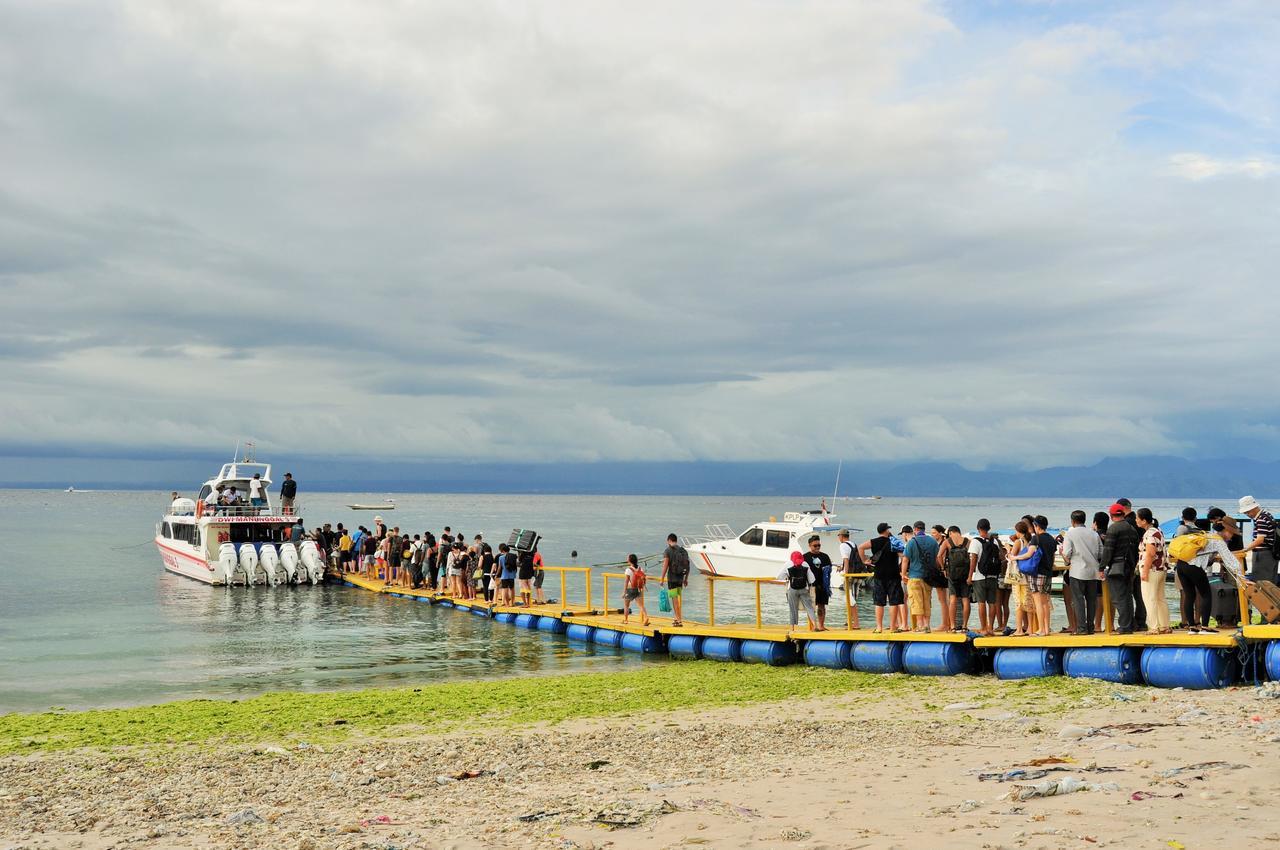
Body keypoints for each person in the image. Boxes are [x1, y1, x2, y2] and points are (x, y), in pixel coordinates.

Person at [1100, 502, 1140, 633]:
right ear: (1123, 513)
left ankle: (1124, 626)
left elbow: (1108, 550)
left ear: (1111, 516)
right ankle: (1130, 624)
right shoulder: (1132, 529)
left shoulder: (1113, 528)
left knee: (1118, 598)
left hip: (1117, 567)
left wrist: (1101, 567)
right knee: (1127, 596)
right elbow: (1135, 550)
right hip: (1130, 567)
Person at [1060, 510, 1102, 635]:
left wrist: (1065, 558)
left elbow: (1067, 553)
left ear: (1072, 521)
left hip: (1077, 571)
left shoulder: (1070, 534)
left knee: (1078, 600)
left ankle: (1081, 628)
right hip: (1093, 571)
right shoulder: (1094, 534)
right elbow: (1101, 553)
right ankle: (1090, 627)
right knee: (1091, 600)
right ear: (1084, 520)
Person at [859, 523, 904, 633]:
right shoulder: (893, 541)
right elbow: (903, 555)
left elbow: (860, 547)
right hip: (893, 575)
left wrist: (864, 561)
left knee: (879, 602)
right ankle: (893, 627)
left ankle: (879, 627)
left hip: (879, 575)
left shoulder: (873, 542)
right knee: (894, 602)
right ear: (887, 530)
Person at [1135, 508, 1171, 634]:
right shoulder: (1158, 531)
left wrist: (1144, 571)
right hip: (1161, 568)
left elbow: (1150, 553)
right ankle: (1164, 625)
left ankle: (1153, 627)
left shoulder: (1149, 534)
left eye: (1137, 518)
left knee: (1149, 598)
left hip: (1152, 569)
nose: (1136, 520)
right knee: (1160, 598)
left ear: (1144, 521)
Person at [1115, 498, 1147, 631]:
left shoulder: (1126, 524)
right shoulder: (1139, 521)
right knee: (1140, 594)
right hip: (1141, 561)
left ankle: (1130, 623)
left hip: (1129, 562)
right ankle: (1141, 621)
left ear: (1121, 508)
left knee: (1127, 594)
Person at [901, 521, 938, 633]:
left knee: (916, 601)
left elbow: (905, 560)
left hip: (914, 576)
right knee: (927, 601)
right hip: (928, 577)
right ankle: (927, 625)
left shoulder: (912, 542)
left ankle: (920, 625)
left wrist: (903, 574)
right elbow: (937, 558)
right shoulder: (933, 541)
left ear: (915, 529)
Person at [968, 519, 1001, 637]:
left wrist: (969, 576)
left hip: (979, 577)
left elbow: (973, 560)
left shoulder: (975, 542)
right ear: (989, 528)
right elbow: (999, 557)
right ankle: (991, 628)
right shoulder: (995, 542)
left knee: (981, 603)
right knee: (992, 603)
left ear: (978, 528)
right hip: (993, 576)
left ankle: (983, 628)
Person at [1238, 496, 1278, 585]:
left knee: (1261, 583)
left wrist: (1245, 549)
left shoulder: (1261, 519)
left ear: (1254, 508)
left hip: (1263, 554)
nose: (1247, 514)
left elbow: (1260, 540)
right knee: (1271, 582)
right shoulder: (1267, 515)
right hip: (1271, 553)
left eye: (1247, 512)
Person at [939, 526, 971, 632]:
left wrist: (943, 568)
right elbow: (973, 556)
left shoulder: (947, 541)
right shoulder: (968, 541)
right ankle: (964, 626)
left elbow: (939, 556)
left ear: (951, 532)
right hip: (965, 575)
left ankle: (952, 626)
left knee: (953, 600)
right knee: (965, 600)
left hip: (952, 575)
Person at [778, 551, 819, 630]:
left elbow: (779, 577)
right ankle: (815, 625)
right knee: (809, 607)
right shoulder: (805, 564)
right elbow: (812, 579)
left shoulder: (788, 564)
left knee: (793, 609)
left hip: (792, 589)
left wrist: (787, 577)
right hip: (804, 589)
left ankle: (792, 628)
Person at [660, 533, 691, 627]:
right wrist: (686, 579)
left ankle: (679, 620)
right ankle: (676, 618)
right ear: (676, 540)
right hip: (680, 578)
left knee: (675, 600)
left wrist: (661, 578)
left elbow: (665, 566)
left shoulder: (667, 551)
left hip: (672, 579)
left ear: (669, 541)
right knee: (676, 599)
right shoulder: (682, 550)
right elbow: (687, 565)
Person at [1032, 516, 1056, 635]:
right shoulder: (1051, 539)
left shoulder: (1036, 539)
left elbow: (1029, 554)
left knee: (1038, 602)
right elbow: (1052, 557)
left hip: (1038, 572)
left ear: (1036, 526)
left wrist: (1015, 557)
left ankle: (1041, 629)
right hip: (1048, 572)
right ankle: (1046, 629)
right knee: (1045, 601)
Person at [802, 535, 833, 631]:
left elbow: (829, 570)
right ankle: (812, 626)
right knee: (811, 607)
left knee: (822, 606)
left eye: (819, 545)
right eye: (815, 545)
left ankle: (821, 625)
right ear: (809, 545)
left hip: (822, 585)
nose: (817, 547)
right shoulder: (805, 557)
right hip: (811, 585)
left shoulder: (825, 556)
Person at [837, 529, 861, 629]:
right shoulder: (853, 544)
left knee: (851, 600)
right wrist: (841, 567)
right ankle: (849, 621)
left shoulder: (843, 545)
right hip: (857, 574)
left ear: (841, 536)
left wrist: (846, 575)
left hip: (850, 576)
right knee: (852, 598)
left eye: (838, 536)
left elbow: (846, 560)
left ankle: (855, 623)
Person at [622, 554, 650, 626]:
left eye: (628, 559)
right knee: (641, 605)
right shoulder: (640, 569)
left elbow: (626, 581)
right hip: (638, 589)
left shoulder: (628, 569)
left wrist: (624, 591)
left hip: (630, 589)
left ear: (630, 560)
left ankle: (625, 620)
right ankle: (646, 617)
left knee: (626, 605)